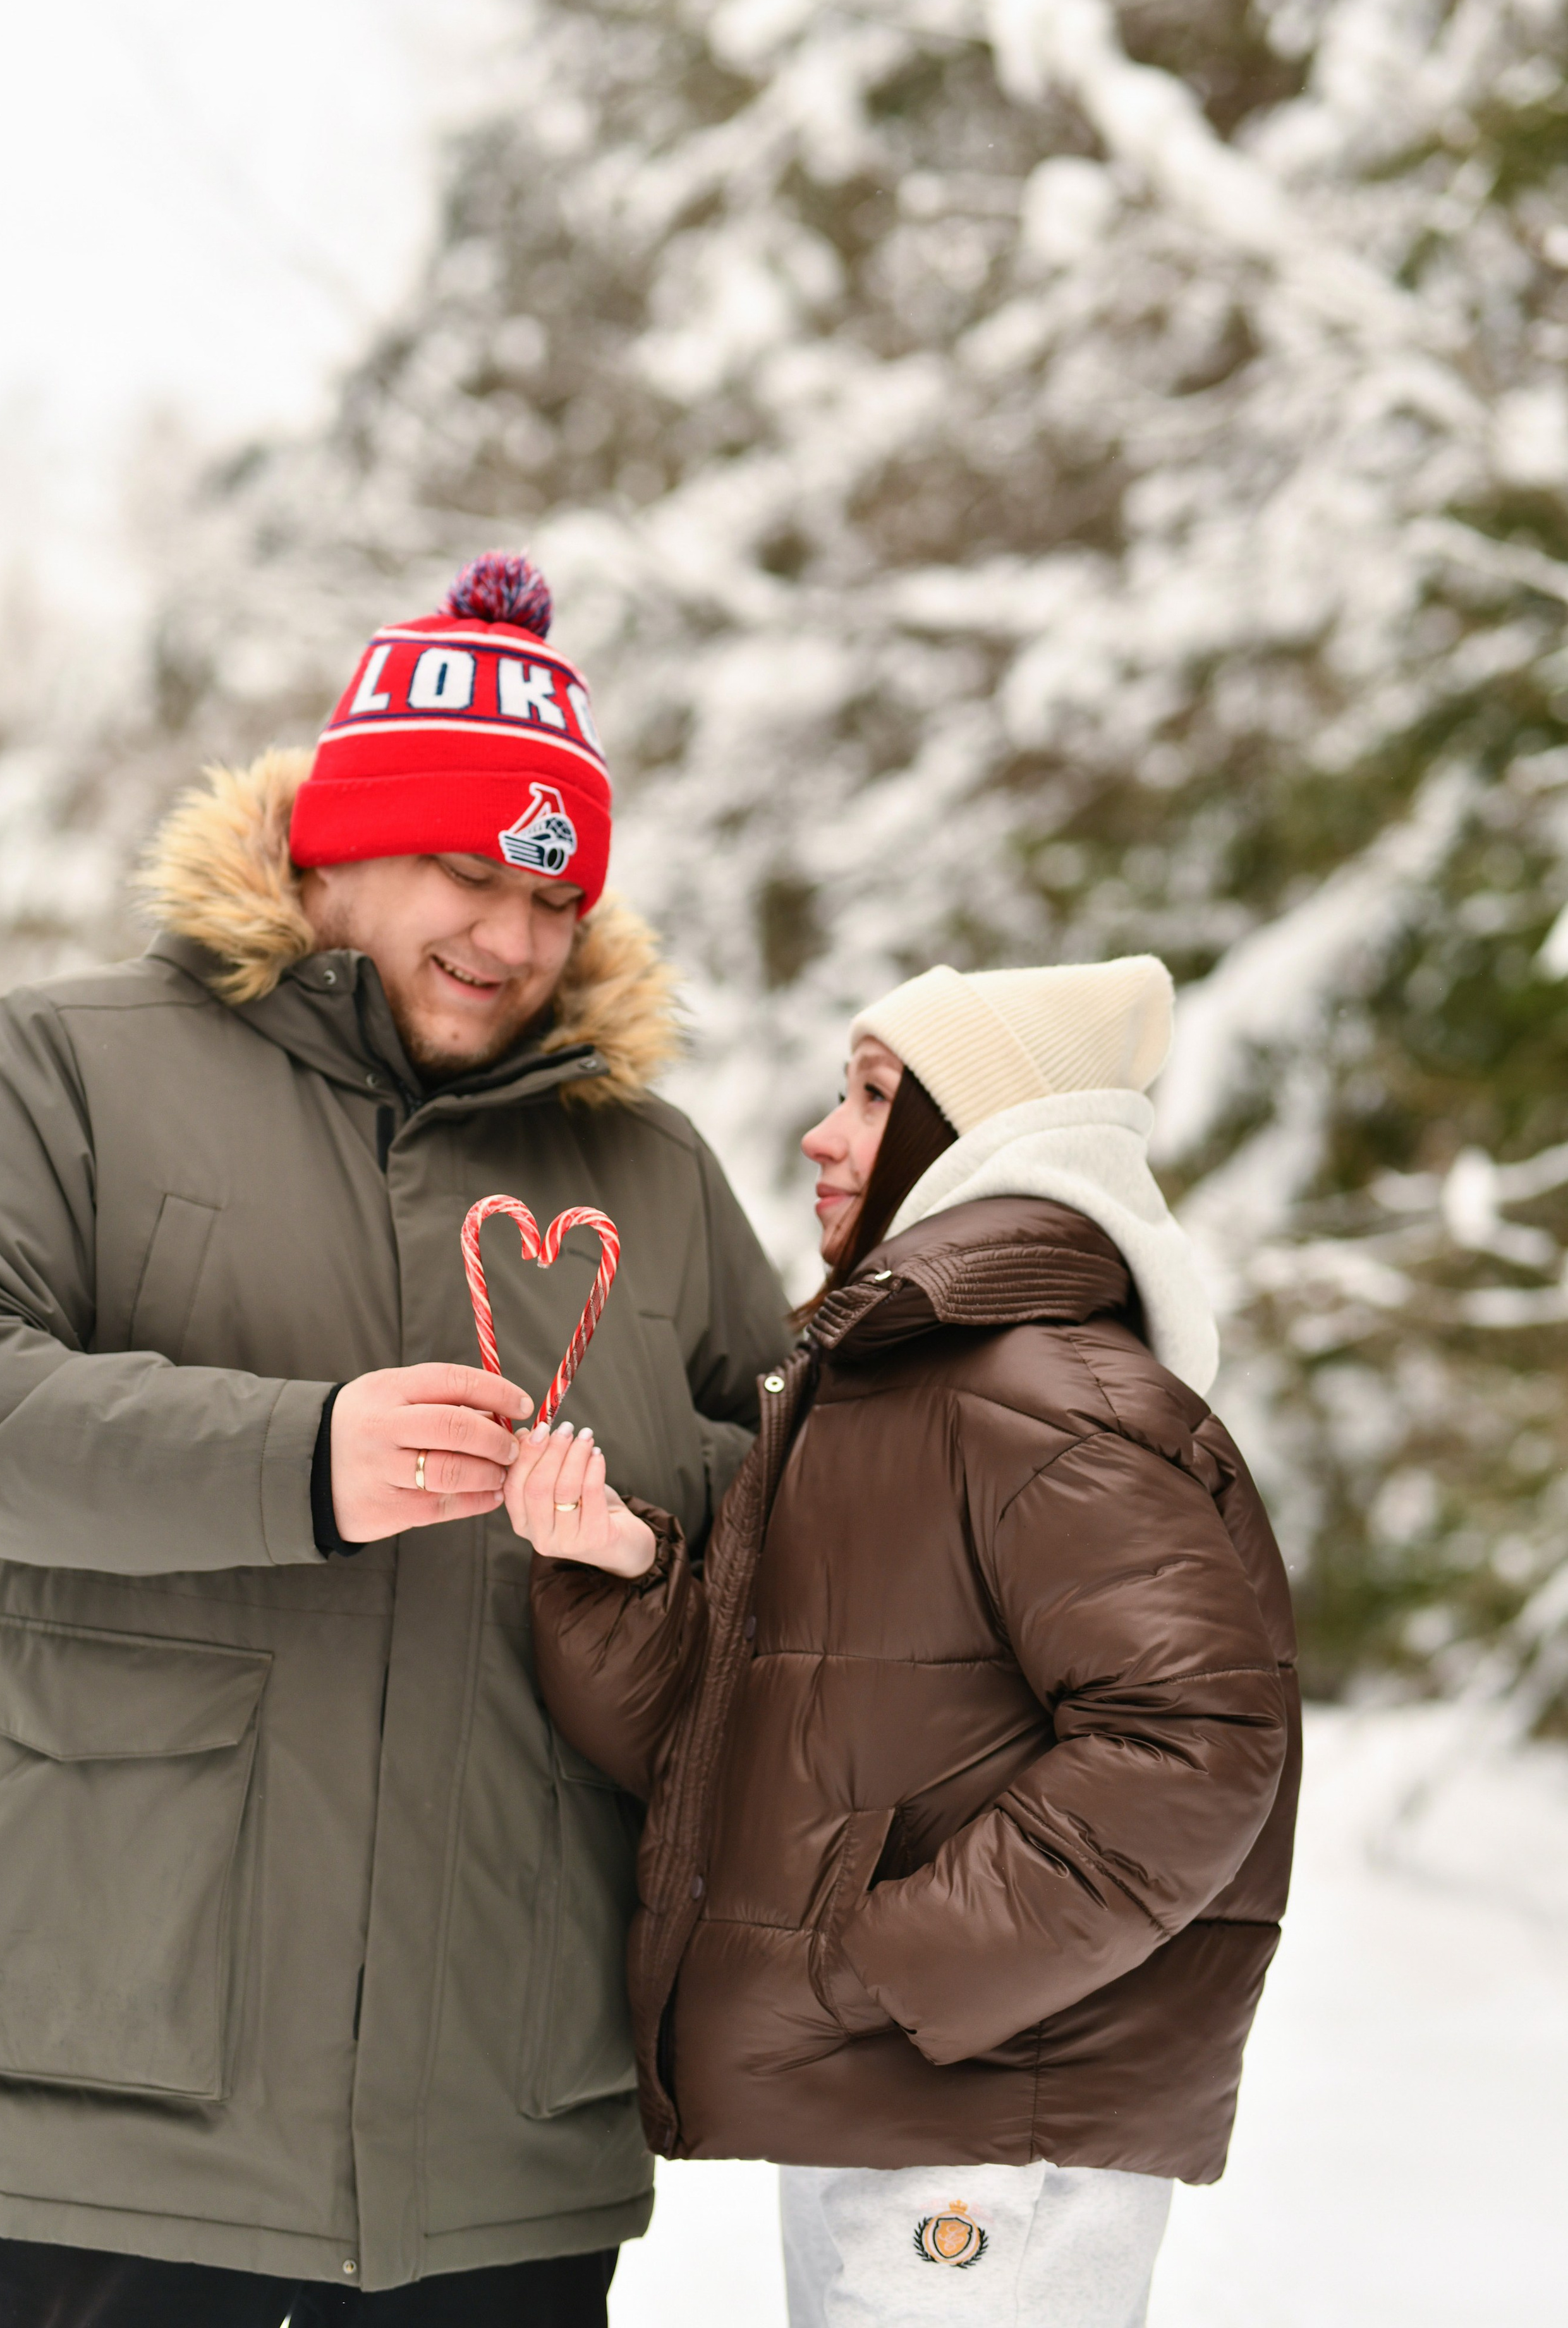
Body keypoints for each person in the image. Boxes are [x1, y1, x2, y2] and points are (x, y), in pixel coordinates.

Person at [0, 552, 793, 2326]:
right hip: (97, 2109)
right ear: (333, 848)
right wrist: (298, 1458)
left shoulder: (648, 1167)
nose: (509, 940)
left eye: (553, 901)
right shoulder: (67, 1070)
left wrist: (654, 1533)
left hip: (498, 2142)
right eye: (463, 874)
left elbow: (800, 1510)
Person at [507, 956, 1301, 2328]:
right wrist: (624, 1578)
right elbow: (770, 1748)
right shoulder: (899, 1386)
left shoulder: (1037, 1395)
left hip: (984, 2126)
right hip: (908, 2099)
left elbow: (1191, 1746)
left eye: (872, 1098)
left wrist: (879, 1966)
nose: (821, 1135)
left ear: (974, 1139)